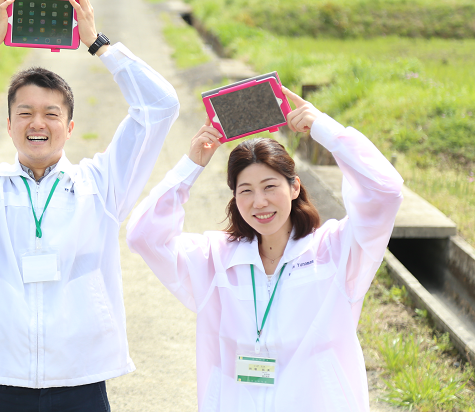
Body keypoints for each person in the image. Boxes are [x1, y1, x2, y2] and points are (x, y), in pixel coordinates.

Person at [0, 0, 179, 411]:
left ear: (70, 127)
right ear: (10, 124)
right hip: (1, 378)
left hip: (83, 378)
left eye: (51, 113)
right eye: (25, 113)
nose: (38, 123)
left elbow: (159, 107)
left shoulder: (101, 186)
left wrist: (98, 44)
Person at [126, 87, 403, 411]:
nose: (259, 202)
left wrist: (324, 129)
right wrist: (191, 165)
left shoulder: (336, 251)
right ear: (235, 198)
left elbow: (385, 192)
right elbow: (143, 235)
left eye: (270, 186)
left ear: (294, 186)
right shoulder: (215, 259)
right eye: (246, 190)